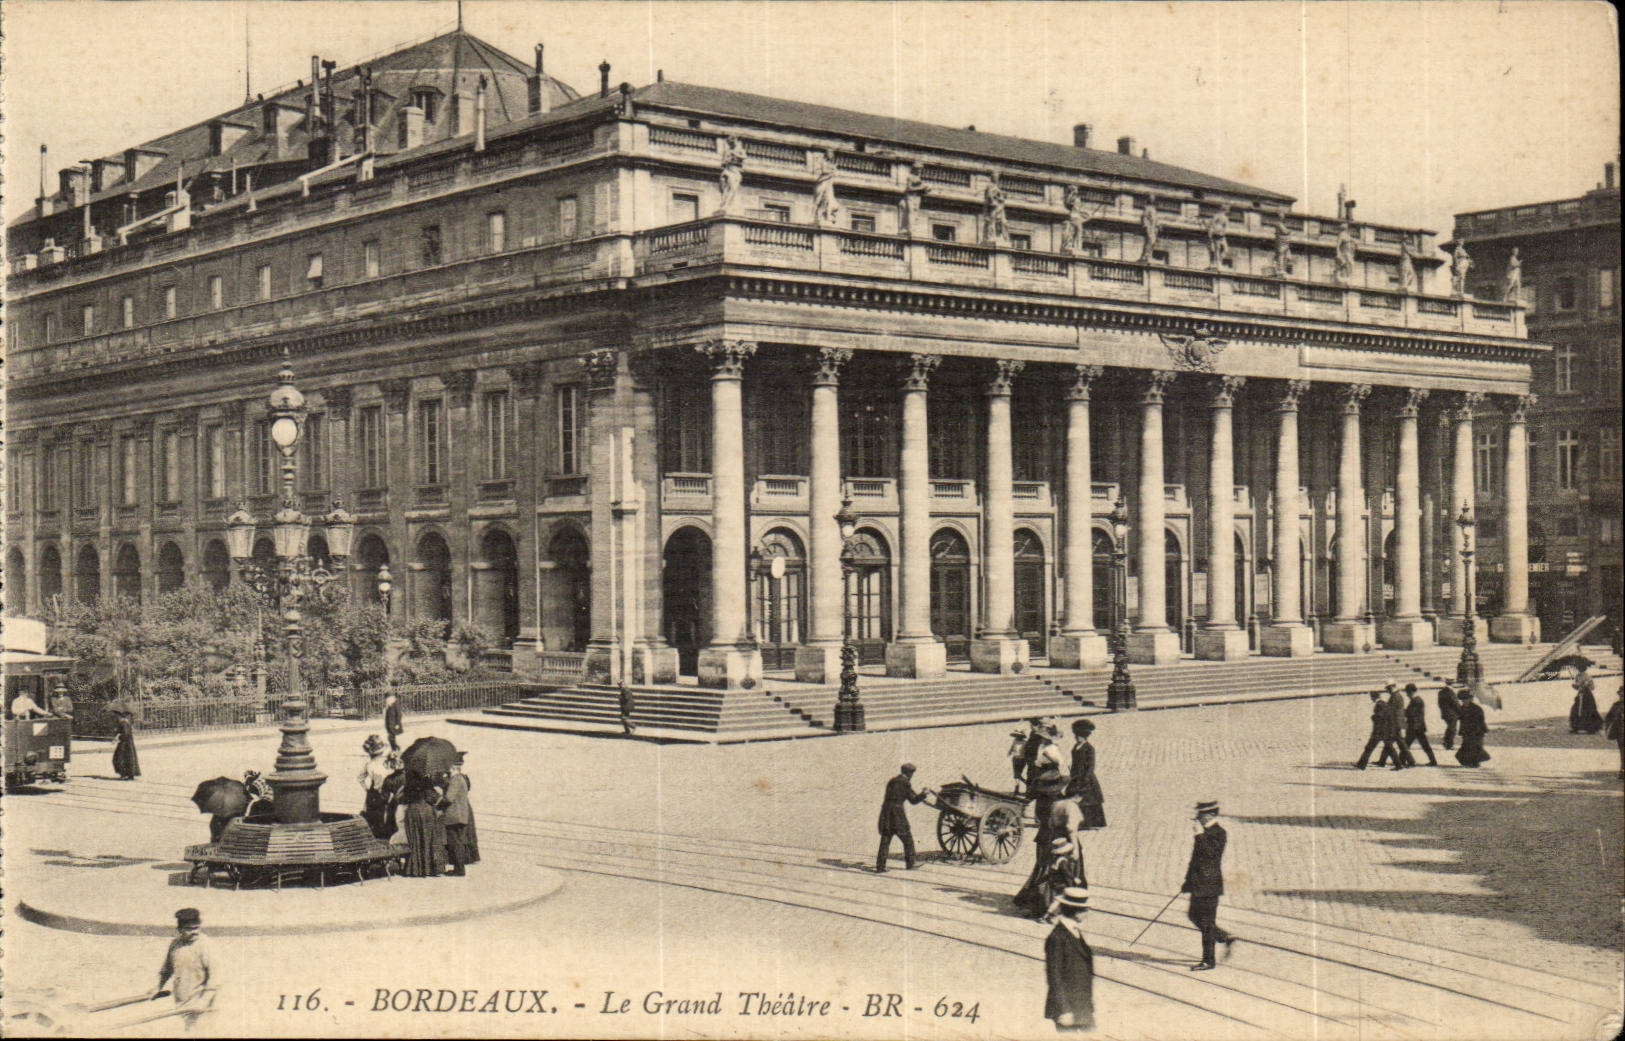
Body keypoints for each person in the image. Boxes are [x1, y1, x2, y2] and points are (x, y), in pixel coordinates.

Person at [1182, 800, 1236, 971]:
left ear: (1211, 815)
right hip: (1198, 883)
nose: (1198, 819)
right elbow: (1195, 860)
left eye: (1201, 816)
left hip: (1209, 885)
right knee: (1194, 916)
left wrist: (1199, 836)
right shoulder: (1205, 832)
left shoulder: (1219, 833)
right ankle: (1223, 937)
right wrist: (1187, 881)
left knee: (1206, 922)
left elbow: (1210, 855)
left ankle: (1208, 961)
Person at [1043, 887, 1095, 1034]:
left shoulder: (1074, 931)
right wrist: (1064, 1010)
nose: (1088, 913)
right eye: (1086, 910)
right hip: (1067, 1008)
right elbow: (1054, 977)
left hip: (1081, 1005)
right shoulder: (1057, 937)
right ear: (1077, 911)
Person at [152, 908, 213, 1030]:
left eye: (196, 928)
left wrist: (204, 1001)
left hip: (202, 1003)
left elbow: (216, 977)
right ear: (179, 929)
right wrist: (157, 987)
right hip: (182, 1001)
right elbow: (167, 969)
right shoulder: (175, 944)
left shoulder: (206, 945)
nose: (194, 932)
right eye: (189, 929)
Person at [876, 763, 931, 872]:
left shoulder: (892, 781)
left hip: (886, 813)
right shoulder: (905, 783)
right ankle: (911, 863)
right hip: (898, 815)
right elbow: (913, 800)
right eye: (912, 773)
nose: (912, 775)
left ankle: (880, 866)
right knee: (908, 839)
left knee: (885, 840)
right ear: (909, 773)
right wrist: (924, 794)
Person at [400, 774, 447, 877]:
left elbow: (401, 799)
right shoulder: (427, 782)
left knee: (415, 839)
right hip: (427, 812)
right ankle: (429, 868)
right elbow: (439, 799)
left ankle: (416, 868)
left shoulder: (409, 781)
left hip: (413, 812)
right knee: (429, 839)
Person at [1065, 720, 1107, 830]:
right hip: (1076, 776)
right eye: (1076, 736)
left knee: (1089, 800)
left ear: (1084, 737)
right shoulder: (1075, 747)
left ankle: (1092, 823)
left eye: (1078, 736)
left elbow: (1091, 766)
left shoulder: (1089, 748)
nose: (1076, 738)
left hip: (1086, 777)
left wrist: (1086, 778)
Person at [440, 753, 474, 877]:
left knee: (455, 844)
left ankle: (459, 869)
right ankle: (459, 868)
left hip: (454, 816)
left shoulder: (455, 780)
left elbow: (449, 798)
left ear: (453, 768)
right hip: (460, 816)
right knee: (458, 843)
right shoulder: (462, 779)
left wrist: (439, 801)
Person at [1355, 689, 1404, 770]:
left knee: (1369, 748)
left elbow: (1379, 718)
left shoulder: (1379, 705)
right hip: (1386, 731)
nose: (1371, 699)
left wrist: (1373, 717)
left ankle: (1361, 765)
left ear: (1373, 697)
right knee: (1390, 748)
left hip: (1379, 731)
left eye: (1371, 697)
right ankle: (1398, 765)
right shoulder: (1384, 704)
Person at [358, 735, 394, 839]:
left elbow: (360, 778)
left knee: (373, 819)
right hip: (386, 792)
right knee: (386, 817)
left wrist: (367, 789)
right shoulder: (387, 763)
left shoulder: (369, 764)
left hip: (373, 794)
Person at [1376, 682, 1415, 768]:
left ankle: (1411, 761)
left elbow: (1391, 710)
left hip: (1395, 724)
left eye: (1388, 688)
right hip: (1397, 723)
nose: (1387, 690)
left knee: (1397, 743)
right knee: (1391, 743)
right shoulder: (1397, 695)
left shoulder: (1395, 696)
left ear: (1392, 687)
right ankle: (1382, 761)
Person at [1402, 683, 1439, 766]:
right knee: (1422, 745)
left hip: (1415, 727)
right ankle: (1433, 761)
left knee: (1406, 744)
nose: (1407, 695)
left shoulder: (1416, 701)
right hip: (1417, 727)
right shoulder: (1417, 700)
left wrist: (1402, 711)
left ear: (1410, 692)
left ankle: (1402, 760)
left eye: (1407, 693)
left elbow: (1411, 713)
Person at [1454, 689, 1490, 767]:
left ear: (1470, 699)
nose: (1464, 701)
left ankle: (1475, 762)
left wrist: (1477, 731)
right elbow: (1457, 717)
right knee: (1466, 747)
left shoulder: (1477, 709)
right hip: (1466, 731)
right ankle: (1470, 762)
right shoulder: (1461, 708)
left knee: (1476, 747)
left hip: (1477, 731)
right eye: (1462, 700)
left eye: (1466, 699)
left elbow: (1481, 721)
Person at [1569, 665, 1603, 734]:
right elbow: (1578, 687)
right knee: (1576, 709)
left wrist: (1586, 685)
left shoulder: (1587, 676)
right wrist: (1575, 686)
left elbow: (1592, 687)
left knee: (1587, 710)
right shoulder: (1577, 676)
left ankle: (1590, 728)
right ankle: (1576, 727)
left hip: (1587, 695)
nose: (1578, 669)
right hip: (1580, 694)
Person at [112, 706, 141, 780]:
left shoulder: (123, 723)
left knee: (120, 758)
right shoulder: (125, 722)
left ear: (119, 716)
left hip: (124, 744)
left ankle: (125, 774)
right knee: (127, 758)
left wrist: (118, 737)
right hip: (127, 744)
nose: (115, 718)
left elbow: (125, 733)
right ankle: (127, 774)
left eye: (116, 716)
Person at [1603, 686, 1624, 777]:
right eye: (1621, 695)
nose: (1621, 697)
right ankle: (1623, 770)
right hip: (1621, 733)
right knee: (1622, 751)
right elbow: (1608, 718)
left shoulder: (1617, 706)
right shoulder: (1616, 706)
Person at [1437, 682, 1461, 751]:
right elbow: (1455, 703)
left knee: (1450, 728)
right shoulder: (1450, 692)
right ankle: (1449, 744)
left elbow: (1439, 703)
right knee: (1453, 729)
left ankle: (1446, 741)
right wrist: (1461, 711)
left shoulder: (1441, 692)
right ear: (1452, 683)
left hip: (1445, 713)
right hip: (1452, 714)